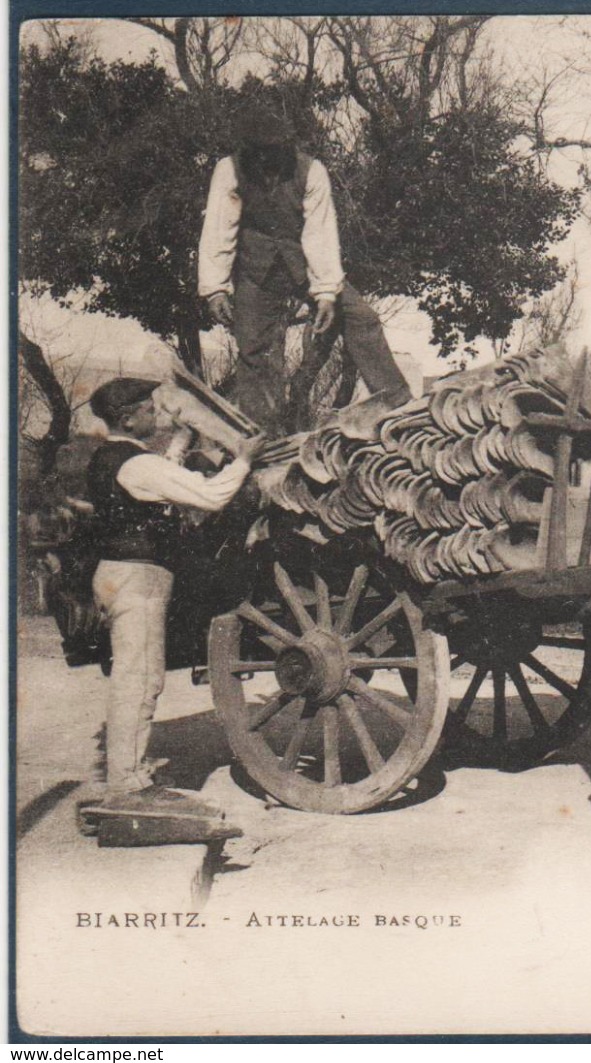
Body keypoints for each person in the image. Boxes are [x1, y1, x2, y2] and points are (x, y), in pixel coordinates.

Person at [85, 377, 264, 796]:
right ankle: (126, 785)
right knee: (140, 679)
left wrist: (183, 441)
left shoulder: (114, 458)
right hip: (138, 578)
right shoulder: (137, 465)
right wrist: (244, 461)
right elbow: (208, 495)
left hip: (120, 572)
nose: (155, 413)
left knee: (137, 675)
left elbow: (157, 476)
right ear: (127, 418)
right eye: (148, 409)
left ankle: (130, 773)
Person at [198, 107, 410, 434]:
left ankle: (399, 404)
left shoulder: (312, 171)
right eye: (263, 151)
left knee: (360, 317)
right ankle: (263, 434)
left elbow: (320, 234)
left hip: (303, 262)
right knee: (254, 347)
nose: (272, 158)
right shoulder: (229, 170)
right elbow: (218, 228)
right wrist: (215, 287)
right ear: (251, 149)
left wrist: (326, 293)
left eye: (278, 149)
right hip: (256, 268)